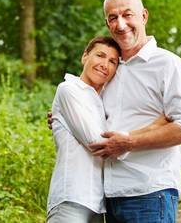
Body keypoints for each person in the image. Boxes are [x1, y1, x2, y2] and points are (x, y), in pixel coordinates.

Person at [85, 0, 181, 223]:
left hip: (150, 193)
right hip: (106, 196)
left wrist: (128, 143)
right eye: (112, 17)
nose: (120, 24)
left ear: (144, 16)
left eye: (127, 15)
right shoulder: (109, 68)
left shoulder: (168, 65)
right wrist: (62, 114)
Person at [46, 36, 121, 223]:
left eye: (112, 61)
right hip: (71, 198)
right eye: (100, 56)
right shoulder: (68, 90)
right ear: (85, 56)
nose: (105, 64)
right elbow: (96, 143)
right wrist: (137, 141)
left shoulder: (102, 101)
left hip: (97, 204)